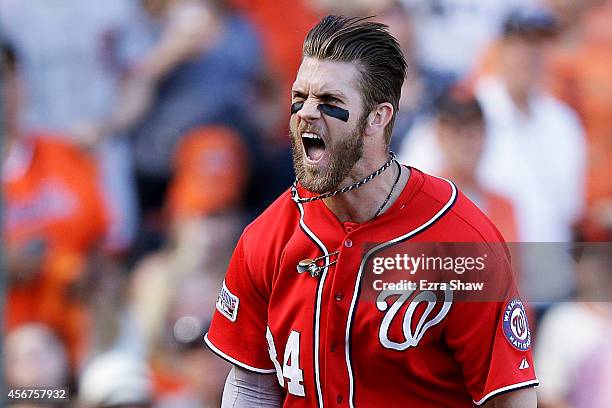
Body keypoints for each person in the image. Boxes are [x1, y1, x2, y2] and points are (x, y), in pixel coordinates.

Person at [205, 15, 537, 407]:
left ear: (378, 118)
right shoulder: (267, 236)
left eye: (330, 102)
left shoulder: (460, 241)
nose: (306, 113)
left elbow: (511, 397)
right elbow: (251, 385)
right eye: (300, 97)